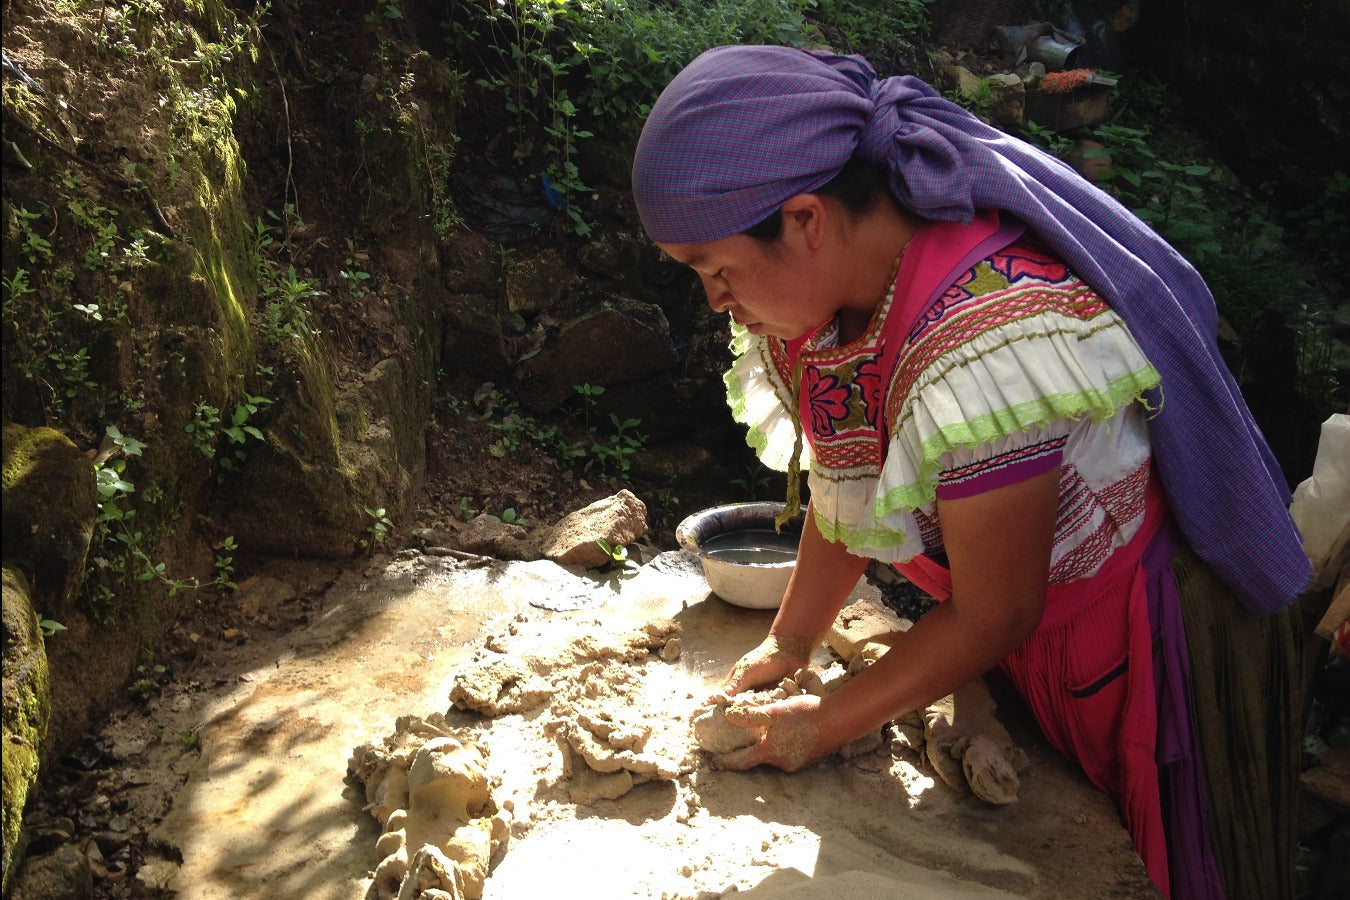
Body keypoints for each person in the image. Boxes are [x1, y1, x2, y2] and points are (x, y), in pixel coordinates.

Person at [631, 45, 1310, 900]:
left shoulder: (984, 341)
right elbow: (847, 489)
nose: (716, 301)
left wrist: (823, 724)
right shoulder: (824, 307)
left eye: (718, 271)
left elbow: (999, 610)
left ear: (805, 219)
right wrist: (791, 639)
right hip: (1027, 619)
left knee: (1146, 860)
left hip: (1129, 639)